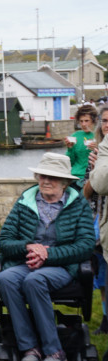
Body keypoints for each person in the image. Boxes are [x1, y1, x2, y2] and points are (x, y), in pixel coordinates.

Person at [0, 152, 96, 361]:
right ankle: (29, 348)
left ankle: (54, 351)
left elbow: (86, 245)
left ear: (65, 182)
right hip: (26, 263)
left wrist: (49, 255)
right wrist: (28, 247)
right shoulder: (26, 201)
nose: (46, 181)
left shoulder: (78, 204)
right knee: (6, 278)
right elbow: (4, 241)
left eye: (52, 177)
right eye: (42, 175)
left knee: (35, 280)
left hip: (61, 267)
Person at [83, 105, 108, 334]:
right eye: (105, 120)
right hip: (97, 221)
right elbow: (85, 193)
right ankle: (105, 319)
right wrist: (94, 169)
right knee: (101, 273)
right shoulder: (97, 153)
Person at [67, 104, 97, 190]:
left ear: (94, 120)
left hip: (93, 178)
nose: (84, 124)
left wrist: (97, 148)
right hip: (75, 177)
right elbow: (70, 162)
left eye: (87, 121)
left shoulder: (100, 135)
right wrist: (70, 149)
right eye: (81, 121)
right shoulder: (75, 136)